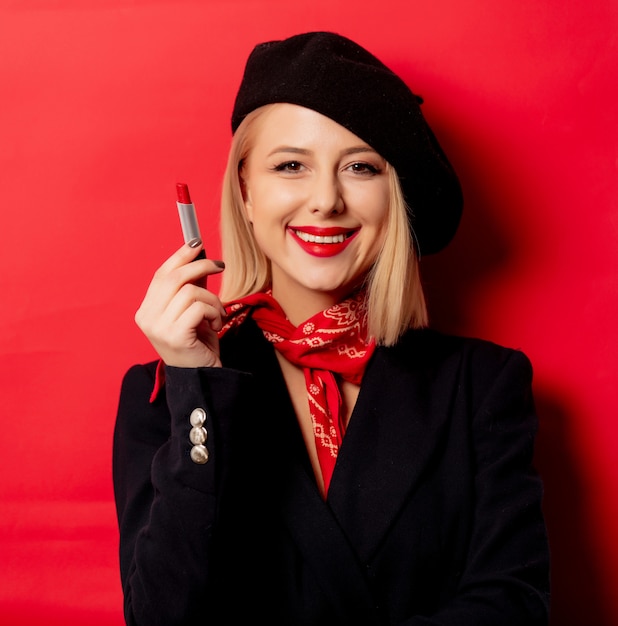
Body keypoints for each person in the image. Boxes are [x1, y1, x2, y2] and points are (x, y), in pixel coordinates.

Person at [112, 31, 550, 626]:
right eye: (291, 165)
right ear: (244, 191)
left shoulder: (482, 385)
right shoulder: (166, 396)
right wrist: (199, 389)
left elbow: (513, 605)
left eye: (360, 168)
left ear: (393, 197)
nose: (326, 200)